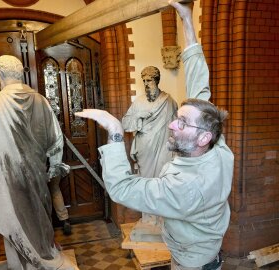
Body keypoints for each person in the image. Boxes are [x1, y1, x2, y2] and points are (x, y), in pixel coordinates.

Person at [75, 1, 233, 269]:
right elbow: (200, 89)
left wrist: (114, 133)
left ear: (203, 137)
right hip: (205, 253)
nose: (172, 125)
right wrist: (187, 22)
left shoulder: (184, 188)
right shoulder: (218, 149)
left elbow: (122, 189)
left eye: (181, 123)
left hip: (191, 263)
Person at [0, 55, 74, 269]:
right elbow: (56, 138)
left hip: (10, 176)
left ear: (0, 74)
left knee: (16, 217)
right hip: (37, 172)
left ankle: (23, 263)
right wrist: (54, 165)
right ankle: (46, 253)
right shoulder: (40, 100)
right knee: (40, 214)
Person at [122, 66, 177, 240]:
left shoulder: (169, 101)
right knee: (146, 182)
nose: (146, 84)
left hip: (163, 148)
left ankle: (162, 218)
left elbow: (176, 126)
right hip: (145, 149)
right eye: (144, 81)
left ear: (157, 80)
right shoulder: (138, 102)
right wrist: (140, 116)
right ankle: (148, 219)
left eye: (149, 80)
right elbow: (126, 123)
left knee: (162, 180)